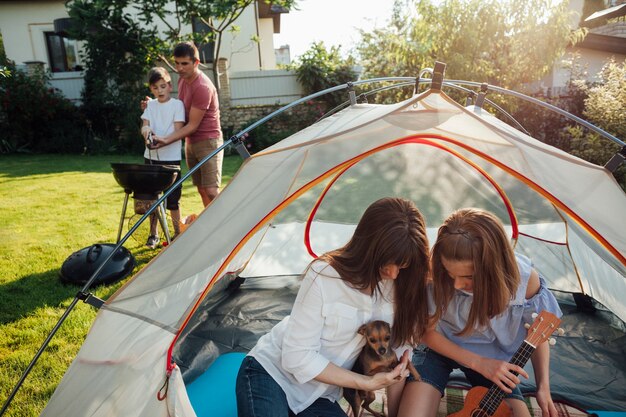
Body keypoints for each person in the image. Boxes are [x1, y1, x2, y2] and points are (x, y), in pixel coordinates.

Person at [236, 197, 431, 417]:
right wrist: (365, 383)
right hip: (272, 374)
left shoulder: (405, 286)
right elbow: (297, 357)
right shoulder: (324, 275)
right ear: (368, 249)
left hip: (321, 395)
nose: (394, 274)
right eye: (387, 264)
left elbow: (398, 363)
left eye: (403, 265)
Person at [390, 208, 563, 417]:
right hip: (440, 349)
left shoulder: (525, 280)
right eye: (449, 273)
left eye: (469, 276)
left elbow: (537, 335)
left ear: (493, 267)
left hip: (494, 359)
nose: (456, 284)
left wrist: (543, 387)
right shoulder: (432, 270)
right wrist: (478, 363)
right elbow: (425, 332)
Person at [151, 41, 223, 208]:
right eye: (177, 63)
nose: (179, 68)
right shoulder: (183, 80)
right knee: (201, 189)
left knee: (211, 190)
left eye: (184, 63)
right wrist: (153, 103)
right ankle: (211, 223)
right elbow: (178, 110)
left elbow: (192, 125)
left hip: (208, 142)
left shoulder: (202, 87)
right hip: (190, 142)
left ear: (196, 63)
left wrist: (166, 140)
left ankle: (227, 225)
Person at [140, 66, 186, 248]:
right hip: (151, 158)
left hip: (171, 159)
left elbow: (178, 130)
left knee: (173, 199)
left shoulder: (177, 105)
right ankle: (154, 235)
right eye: (155, 88)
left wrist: (162, 141)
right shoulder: (150, 105)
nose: (159, 91)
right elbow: (145, 125)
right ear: (151, 89)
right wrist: (146, 134)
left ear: (169, 85)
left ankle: (177, 233)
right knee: (152, 199)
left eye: (162, 86)